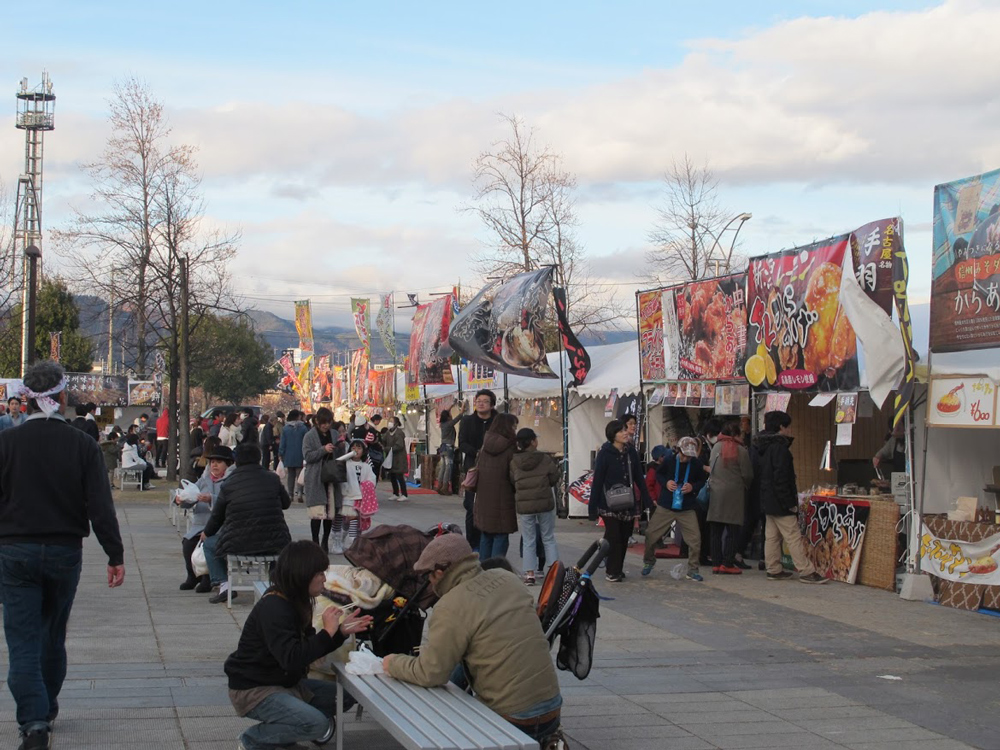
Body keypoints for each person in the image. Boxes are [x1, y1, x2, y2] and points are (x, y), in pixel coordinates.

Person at [0, 360, 125, 750]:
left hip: (14, 549)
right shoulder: (82, 445)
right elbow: (100, 507)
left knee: (22, 642)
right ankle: (47, 703)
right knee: (53, 635)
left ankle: (34, 723)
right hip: (64, 550)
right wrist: (114, 553)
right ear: (63, 398)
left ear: (26, 401)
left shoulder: (6, 444)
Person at [382, 534, 564, 747]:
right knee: (462, 660)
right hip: (552, 708)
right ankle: (548, 737)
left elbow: (430, 673)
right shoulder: (507, 578)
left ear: (440, 573)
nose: (429, 584)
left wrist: (393, 662)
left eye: (428, 577)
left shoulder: (450, 605)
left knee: (442, 701)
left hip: (514, 719)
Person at [224, 540, 373, 750]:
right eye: (320, 573)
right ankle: (253, 740)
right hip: (255, 689)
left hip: (285, 684)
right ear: (303, 575)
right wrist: (328, 631)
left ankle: (286, 734)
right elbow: (292, 658)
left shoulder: (298, 600)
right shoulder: (274, 607)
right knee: (317, 724)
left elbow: (309, 649)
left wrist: (339, 633)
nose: (325, 578)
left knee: (345, 696)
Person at [201, 443, 292, 604]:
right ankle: (278, 586)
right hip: (274, 541)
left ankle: (224, 585)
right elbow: (286, 503)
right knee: (280, 551)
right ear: (259, 458)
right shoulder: (272, 478)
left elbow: (217, 516)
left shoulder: (229, 483)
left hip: (238, 543)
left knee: (209, 545)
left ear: (237, 461)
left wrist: (207, 532)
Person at [755, 410, 826, 584]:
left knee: (771, 536)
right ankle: (806, 570)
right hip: (780, 501)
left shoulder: (762, 447)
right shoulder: (780, 449)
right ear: (781, 427)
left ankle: (773, 568)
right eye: (788, 427)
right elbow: (782, 479)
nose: (790, 430)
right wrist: (789, 503)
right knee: (793, 535)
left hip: (767, 498)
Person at [589, 419, 652, 583]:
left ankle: (617, 567)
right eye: (621, 431)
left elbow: (639, 477)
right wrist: (592, 507)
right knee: (614, 536)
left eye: (626, 430)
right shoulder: (604, 453)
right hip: (608, 503)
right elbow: (597, 481)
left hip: (628, 502)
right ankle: (612, 570)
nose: (625, 433)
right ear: (612, 435)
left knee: (624, 537)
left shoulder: (631, 453)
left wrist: (648, 500)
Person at [641, 436, 707, 581]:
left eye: (689, 455)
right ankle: (649, 561)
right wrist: (666, 483)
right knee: (651, 534)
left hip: (687, 507)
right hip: (666, 505)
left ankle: (693, 569)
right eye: (684, 454)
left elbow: (702, 480)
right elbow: (659, 474)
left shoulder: (696, 463)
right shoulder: (669, 460)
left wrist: (692, 487)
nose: (686, 458)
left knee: (695, 539)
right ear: (678, 451)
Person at [176, 445, 234, 592]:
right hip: (200, 524)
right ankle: (192, 576)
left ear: (227, 464)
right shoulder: (203, 480)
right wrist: (183, 499)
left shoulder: (231, 481)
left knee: (209, 543)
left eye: (218, 462)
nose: (214, 465)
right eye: (212, 462)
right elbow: (191, 493)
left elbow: (230, 503)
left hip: (220, 526)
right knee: (188, 543)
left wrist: (211, 499)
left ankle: (207, 578)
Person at [509, 428, 559, 585]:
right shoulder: (544, 459)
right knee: (548, 538)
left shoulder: (514, 461)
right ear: (532, 441)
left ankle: (529, 574)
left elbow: (512, 481)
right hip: (544, 503)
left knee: (529, 539)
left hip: (525, 505)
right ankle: (554, 572)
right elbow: (554, 477)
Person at [706, 421, 754, 575]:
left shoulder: (716, 448)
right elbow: (747, 474)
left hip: (715, 493)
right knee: (732, 530)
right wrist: (745, 486)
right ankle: (727, 563)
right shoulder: (741, 450)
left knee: (715, 530)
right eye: (741, 434)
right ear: (735, 435)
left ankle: (716, 563)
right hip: (734, 494)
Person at [473, 413, 518, 561]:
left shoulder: (485, 445)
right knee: (501, 534)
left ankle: (484, 567)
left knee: (486, 534)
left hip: (484, 496)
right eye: (514, 426)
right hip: (503, 496)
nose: (515, 430)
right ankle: (496, 569)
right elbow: (513, 475)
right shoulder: (510, 447)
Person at [301, 408, 346, 553]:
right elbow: (308, 456)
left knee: (329, 513)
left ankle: (325, 541)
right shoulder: (309, 436)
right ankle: (315, 542)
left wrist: (341, 447)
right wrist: (323, 450)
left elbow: (339, 455)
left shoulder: (334, 433)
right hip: (316, 478)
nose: (326, 425)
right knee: (317, 513)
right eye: (323, 423)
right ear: (317, 422)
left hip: (331, 477)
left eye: (328, 422)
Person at [458, 390, 497, 551]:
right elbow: (462, 443)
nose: (480, 403)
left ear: (492, 404)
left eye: (485, 401)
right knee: (471, 506)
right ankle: (472, 544)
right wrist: (476, 453)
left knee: (490, 506)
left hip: (493, 470)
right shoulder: (467, 421)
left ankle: (487, 542)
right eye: (478, 400)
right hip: (472, 469)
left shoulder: (498, 421)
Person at [337, 438, 377, 548]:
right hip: (348, 497)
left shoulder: (366, 466)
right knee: (347, 520)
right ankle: (344, 540)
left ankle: (352, 544)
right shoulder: (345, 464)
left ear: (363, 451)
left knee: (356, 522)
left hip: (360, 498)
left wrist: (367, 486)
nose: (356, 450)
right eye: (353, 448)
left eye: (359, 448)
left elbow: (372, 480)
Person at [278, 410, 308, 503]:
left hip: (289, 455)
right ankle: (299, 493)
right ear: (297, 416)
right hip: (300, 454)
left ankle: (290, 495)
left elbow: (282, 442)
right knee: (300, 476)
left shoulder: (286, 428)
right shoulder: (303, 428)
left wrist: (281, 453)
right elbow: (306, 442)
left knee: (290, 476)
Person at [383, 416, 409, 502]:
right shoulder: (388, 432)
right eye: (389, 421)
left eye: (391, 421)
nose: (389, 423)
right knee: (392, 476)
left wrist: (388, 449)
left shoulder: (399, 433)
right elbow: (384, 440)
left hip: (399, 458)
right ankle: (395, 493)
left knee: (399, 476)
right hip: (391, 458)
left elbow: (399, 445)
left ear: (396, 424)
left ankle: (404, 494)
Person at [436, 408, 457, 494]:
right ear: (448, 417)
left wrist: (450, 407)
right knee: (448, 467)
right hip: (448, 447)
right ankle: (445, 487)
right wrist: (462, 410)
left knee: (443, 467)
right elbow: (458, 418)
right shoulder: (449, 424)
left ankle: (439, 485)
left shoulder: (442, 424)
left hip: (443, 447)